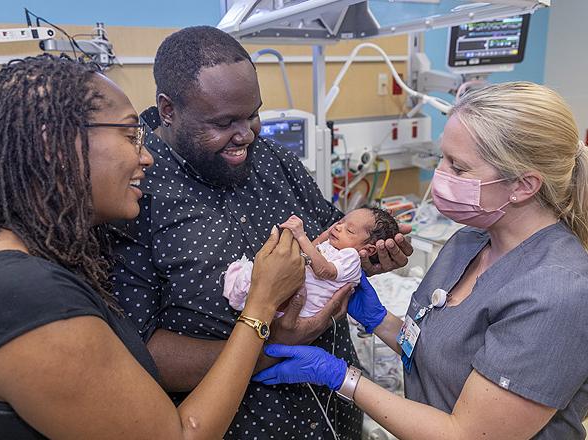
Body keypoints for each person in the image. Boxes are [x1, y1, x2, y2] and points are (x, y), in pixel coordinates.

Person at [0, 54, 306, 439]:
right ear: (54, 143)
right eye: (129, 134)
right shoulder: (24, 298)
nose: (146, 156)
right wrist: (261, 304)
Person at [254, 82, 588, 439]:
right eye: (443, 158)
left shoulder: (559, 294)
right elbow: (435, 353)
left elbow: (466, 434)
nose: (440, 175)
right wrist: (381, 321)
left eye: (458, 167)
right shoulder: (467, 244)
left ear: (523, 186)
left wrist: (342, 378)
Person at [109, 25, 413, 439]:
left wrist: (363, 259)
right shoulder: (132, 193)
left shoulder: (276, 163)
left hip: (334, 417)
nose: (246, 134)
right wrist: (270, 346)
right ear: (168, 109)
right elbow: (138, 355)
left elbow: (334, 242)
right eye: (224, 122)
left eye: (253, 114)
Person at [224, 207, 399, 317]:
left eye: (350, 230)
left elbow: (324, 271)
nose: (339, 227)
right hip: (294, 294)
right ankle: (244, 290)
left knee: (262, 287)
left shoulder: (351, 258)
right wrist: (321, 237)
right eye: (341, 221)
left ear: (368, 250)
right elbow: (313, 249)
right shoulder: (334, 246)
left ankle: (246, 294)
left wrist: (301, 235)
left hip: (305, 308)